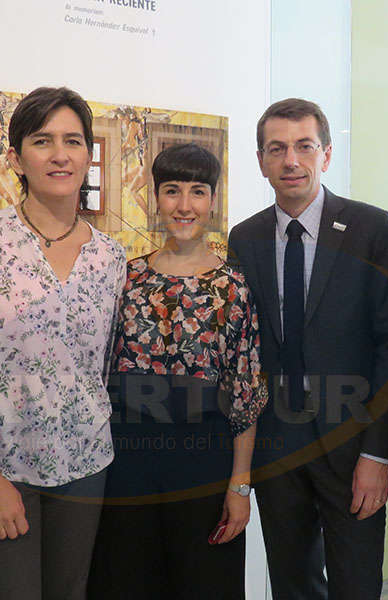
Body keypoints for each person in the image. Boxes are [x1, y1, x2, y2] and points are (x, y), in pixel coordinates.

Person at [0, 86, 125, 600]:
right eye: (42, 141)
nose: (60, 154)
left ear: (89, 154)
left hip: (87, 460)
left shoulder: (111, 255)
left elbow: (101, 366)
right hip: (2, 465)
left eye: (73, 141)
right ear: (16, 157)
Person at [228, 99, 388, 599]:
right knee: (291, 581)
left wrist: (378, 454)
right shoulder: (245, 238)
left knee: (355, 581)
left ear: (326, 155)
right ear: (261, 160)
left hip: (353, 448)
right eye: (277, 148)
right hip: (277, 445)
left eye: (304, 146)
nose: (291, 160)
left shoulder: (371, 229)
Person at [88, 143, 268, 599]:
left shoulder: (234, 288)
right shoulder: (126, 278)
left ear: (212, 200)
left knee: (204, 583)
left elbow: (246, 397)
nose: (184, 205)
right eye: (172, 191)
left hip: (204, 460)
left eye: (197, 192)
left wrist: (241, 487)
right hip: (128, 460)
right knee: (126, 582)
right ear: (155, 198)